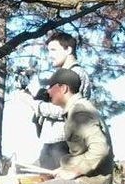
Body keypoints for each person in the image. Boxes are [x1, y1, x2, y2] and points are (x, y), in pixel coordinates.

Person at [16, 31, 91, 170]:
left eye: (53, 50)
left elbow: (64, 110)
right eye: (48, 50)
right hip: (54, 144)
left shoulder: (75, 74)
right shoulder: (64, 75)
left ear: (68, 50)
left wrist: (32, 103)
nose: (50, 55)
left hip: (63, 144)